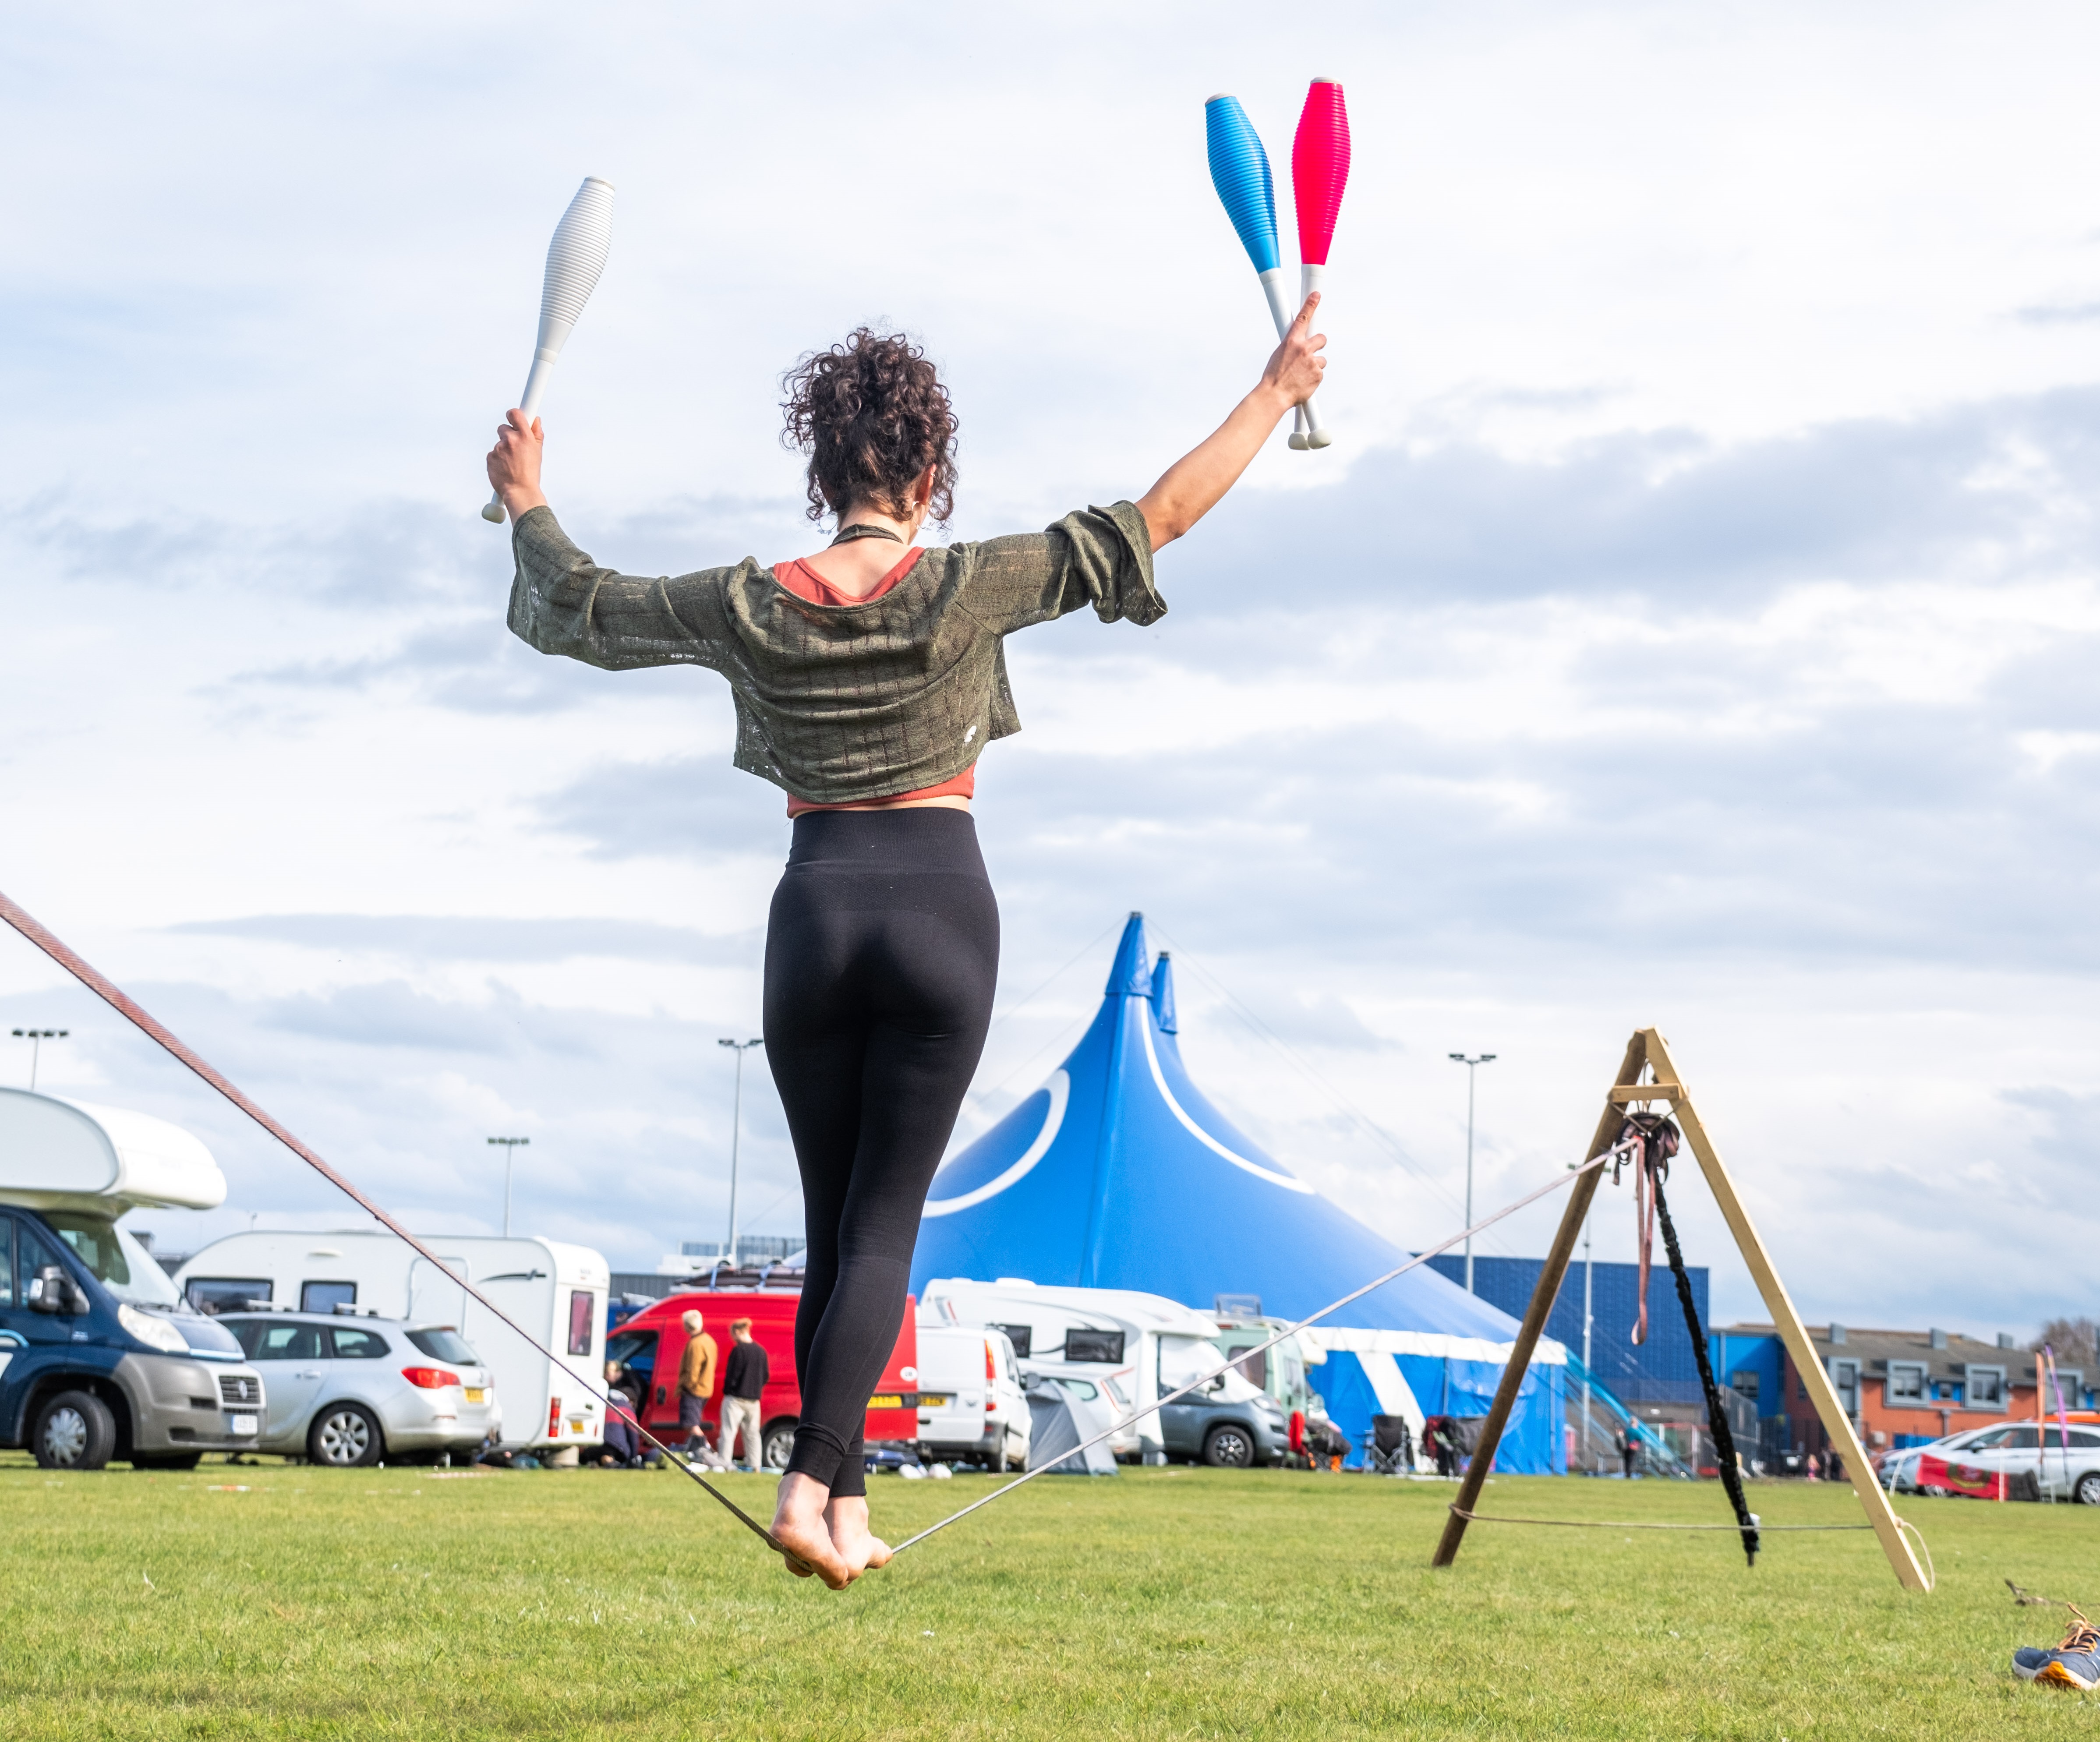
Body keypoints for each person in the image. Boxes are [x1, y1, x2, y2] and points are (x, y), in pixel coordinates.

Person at [488, 297, 1327, 1590]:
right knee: (885, 1225)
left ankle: (844, 1509)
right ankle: (807, 1476)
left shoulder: (745, 601)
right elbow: (1158, 516)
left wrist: (529, 495)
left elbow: (578, 606)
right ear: (929, 475)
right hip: (939, 906)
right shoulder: (966, 579)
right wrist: (1274, 393)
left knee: (838, 1226)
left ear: (822, 476)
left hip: (811, 910)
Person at [720, 1318, 769, 1471]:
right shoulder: (761, 1351)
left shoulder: (739, 1351)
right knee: (753, 1435)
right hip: (754, 1401)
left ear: (737, 1332)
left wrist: (729, 1390)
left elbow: (732, 1375)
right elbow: (766, 1375)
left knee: (729, 1432)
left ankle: (725, 1463)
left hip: (736, 1399)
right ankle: (755, 1465)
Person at [677, 1310, 721, 1464]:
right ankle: (694, 1452)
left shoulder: (696, 1343)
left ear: (688, 1325)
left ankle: (706, 1450)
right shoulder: (709, 1340)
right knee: (692, 1422)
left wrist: (687, 1386)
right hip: (705, 1388)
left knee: (692, 1424)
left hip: (694, 1390)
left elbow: (693, 1369)